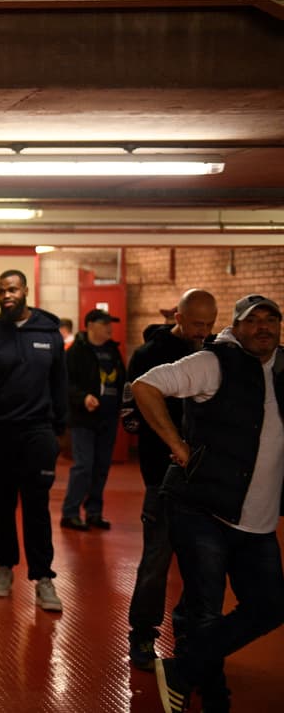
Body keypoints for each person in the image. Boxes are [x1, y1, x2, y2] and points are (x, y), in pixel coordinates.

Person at [132, 294, 284, 713]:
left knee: (270, 605)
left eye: (272, 320)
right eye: (255, 321)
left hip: (259, 515)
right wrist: (178, 445)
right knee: (206, 608)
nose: (264, 328)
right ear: (236, 326)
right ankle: (214, 695)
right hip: (202, 507)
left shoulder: (283, 369)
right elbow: (145, 387)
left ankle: (183, 670)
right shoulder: (214, 362)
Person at [123, 289, 218, 672]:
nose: (204, 331)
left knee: (203, 563)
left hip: (205, 478)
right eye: (197, 324)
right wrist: (167, 440)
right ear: (177, 315)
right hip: (160, 476)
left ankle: (192, 635)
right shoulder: (148, 357)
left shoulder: (212, 353)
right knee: (156, 560)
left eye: (211, 324)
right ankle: (142, 633)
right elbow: (132, 415)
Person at [0, 270, 68, 612]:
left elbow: (59, 384)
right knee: (2, 507)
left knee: (37, 508)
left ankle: (43, 578)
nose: (7, 295)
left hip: (38, 434)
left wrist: (59, 430)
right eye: (1, 290)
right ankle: (4, 567)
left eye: (12, 289)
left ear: (25, 290)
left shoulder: (48, 334)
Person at [60, 308, 126, 531]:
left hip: (108, 419)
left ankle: (94, 512)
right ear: (90, 326)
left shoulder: (112, 351)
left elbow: (121, 382)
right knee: (84, 466)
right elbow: (65, 384)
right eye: (104, 323)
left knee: (101, 467)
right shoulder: (76, 352)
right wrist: (83, 398)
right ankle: (70, 513)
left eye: (111, 323)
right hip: (84, 420)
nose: (110, 327)